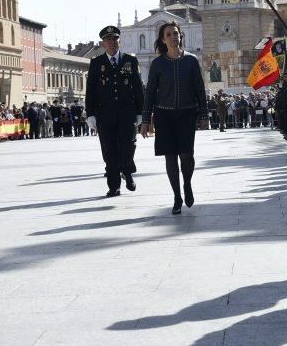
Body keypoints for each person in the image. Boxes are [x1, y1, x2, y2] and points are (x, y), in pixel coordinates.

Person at [140, 21, 209, 215]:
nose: (173, 37)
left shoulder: (191, 60)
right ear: (163, 39)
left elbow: (199, 90)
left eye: (176, 33)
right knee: (170, 157)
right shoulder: (158, 63)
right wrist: (146, 120)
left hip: (187, 113)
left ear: (181, 36)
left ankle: (187, 183)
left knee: (187, 155)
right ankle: (177, 196)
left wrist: (204, 115)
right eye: (169, 34)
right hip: (164, 115)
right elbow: (150, 93)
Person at [85, 25, 145, 197]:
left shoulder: (130, 61)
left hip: (127, 113)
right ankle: (114, 186)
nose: (112, 42)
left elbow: (138, 88)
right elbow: (91, 90)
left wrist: (141, 112)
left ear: (120, 41)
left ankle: (127, 170)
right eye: (108, 40)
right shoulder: (96, 63)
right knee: (109, 150)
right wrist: (90, 114)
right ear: (103, 43)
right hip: (105, 115)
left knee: (128, 145)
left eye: (115, 39)